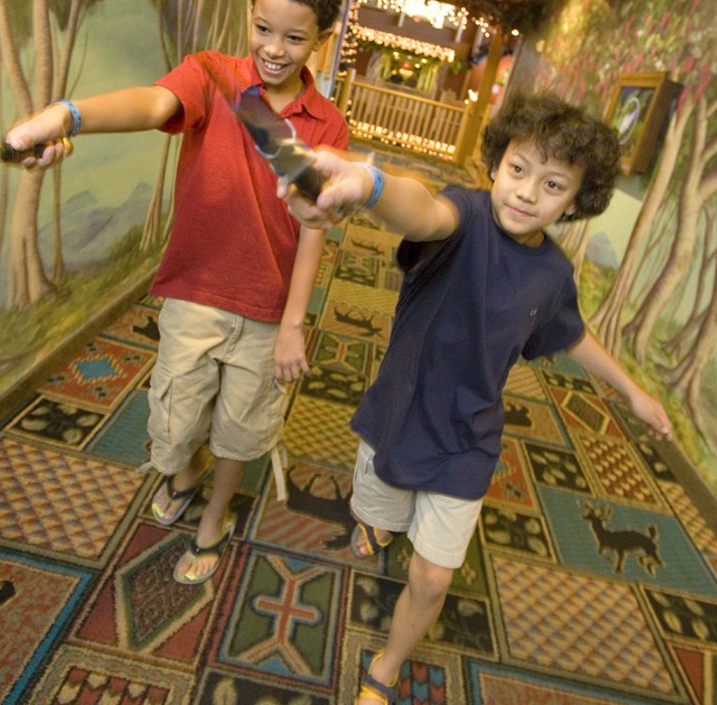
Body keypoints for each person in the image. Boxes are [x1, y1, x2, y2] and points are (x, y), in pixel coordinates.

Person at [280, 91, 673, 704]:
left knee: (434, 578)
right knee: (377, 513)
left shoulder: (553, 274)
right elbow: (422, 212)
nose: (526, 193)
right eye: (518, 169)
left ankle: (386, 667)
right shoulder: (462, 214)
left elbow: (569, 332)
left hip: (470, 437)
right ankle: (380, 525)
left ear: (575, 202)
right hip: (399, 414)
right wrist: (370, 184)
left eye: (552, 185)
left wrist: (632, 391)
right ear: (496, 163)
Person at [7, 0, 348, 585]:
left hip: (268, 307)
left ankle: (215, 513)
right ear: (249, 15)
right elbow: (151, 103)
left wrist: (294, 323)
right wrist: (69, 115)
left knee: (241, 430)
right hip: (196, 291)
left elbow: (313, 227)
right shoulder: (211, 75)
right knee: (175, 420)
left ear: (321, 42)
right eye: (263, 28)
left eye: (295, 38)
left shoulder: (327, 124)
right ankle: (186, 473)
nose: (274, 49)